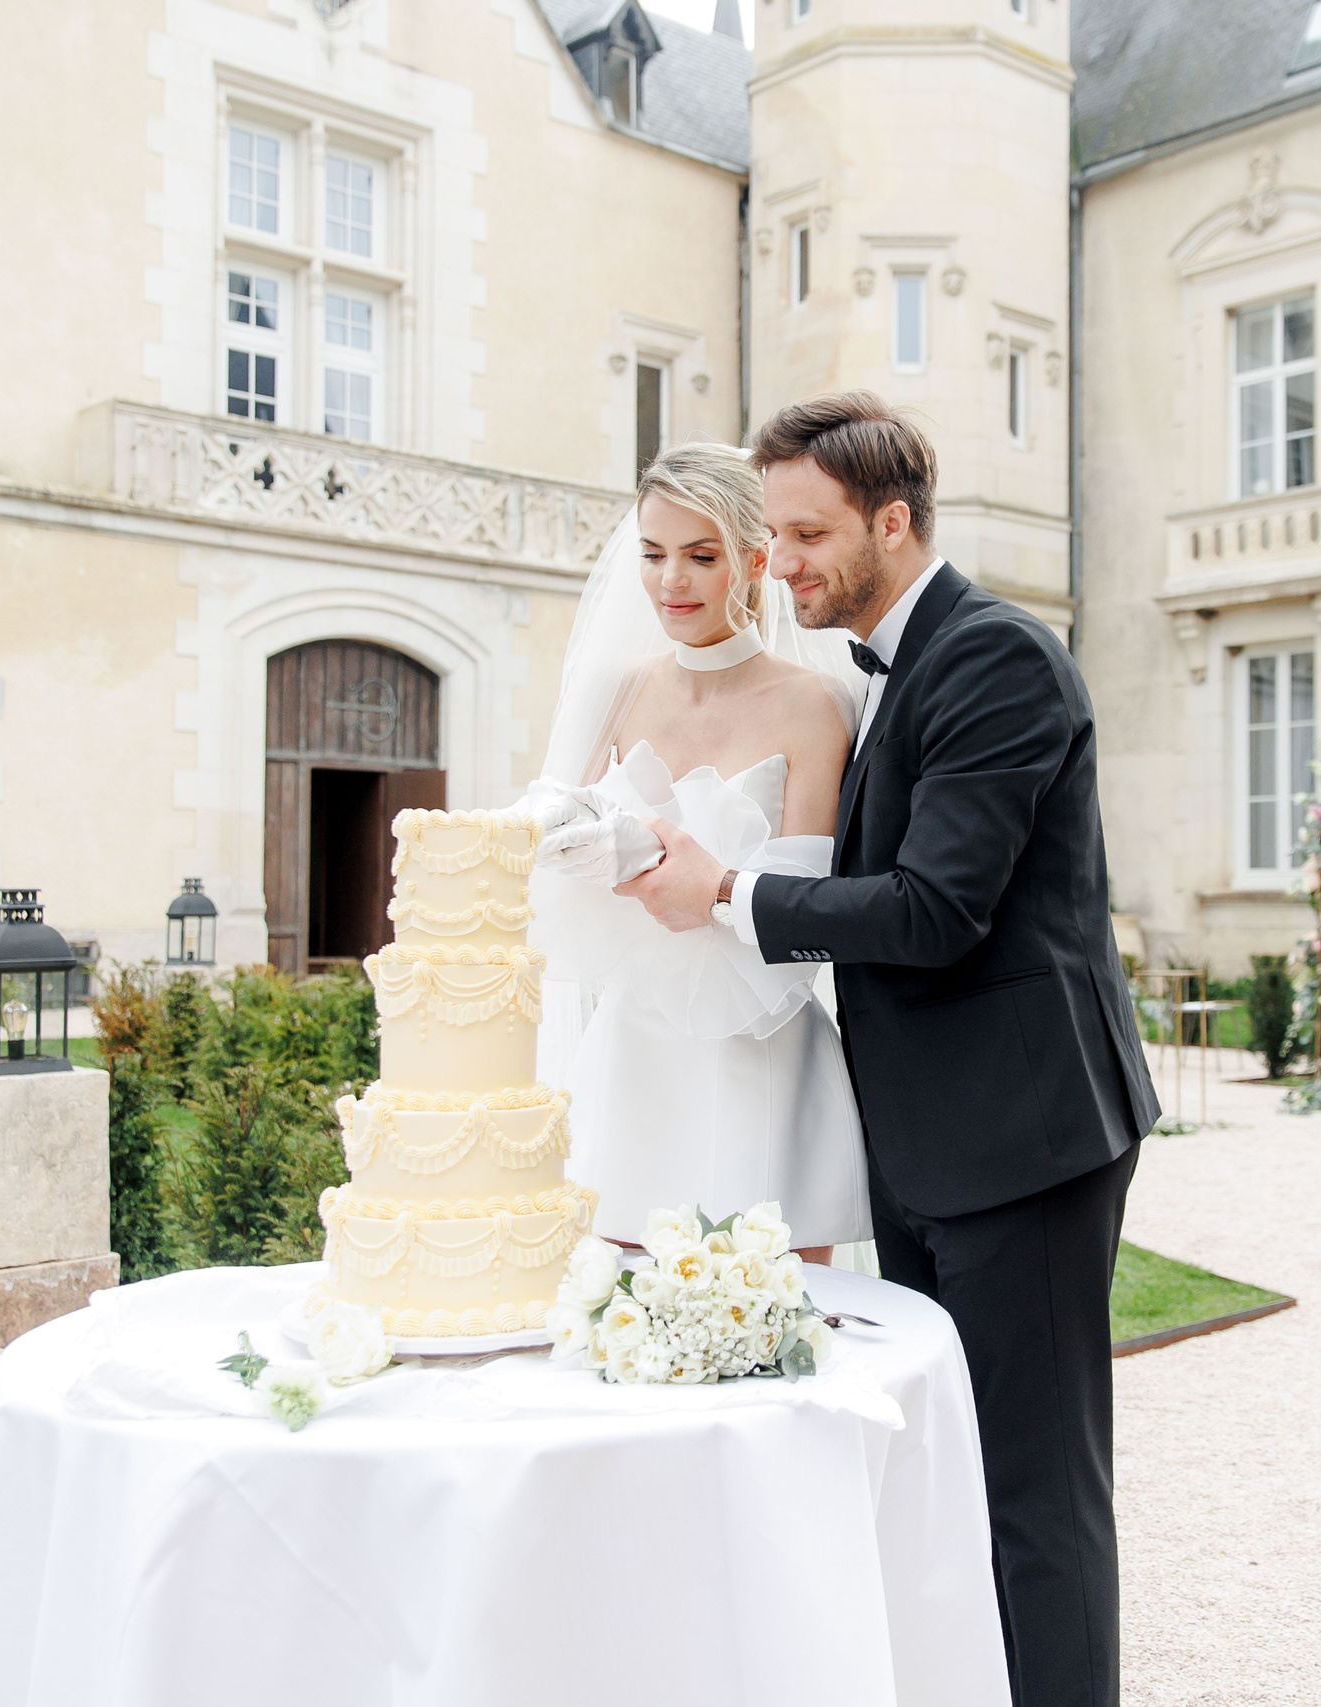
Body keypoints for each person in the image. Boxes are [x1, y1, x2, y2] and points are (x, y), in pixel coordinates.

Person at [617, 393, 1158, 1707]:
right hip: (927, 1134)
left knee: (1034, 1494)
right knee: (950, 1471)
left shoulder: (997, 661)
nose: (778, 561)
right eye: (776, 531)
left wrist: (728, 895)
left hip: (1023, 1137)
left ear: (894, 521)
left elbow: (933, 907)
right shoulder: (893, 668)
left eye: (805, 533)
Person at [521, 442, 872, 1260]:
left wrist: (669, 866)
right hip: (633, 1051)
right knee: (619, 1302)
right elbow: (548, 860)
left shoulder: (817, 705)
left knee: (777, 1310)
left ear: (753, 562)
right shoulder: (617, 691)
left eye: (700, 556)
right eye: (653, 554)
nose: (670, 581)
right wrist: (584, 848)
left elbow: (805, 912)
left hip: (761, 1048)